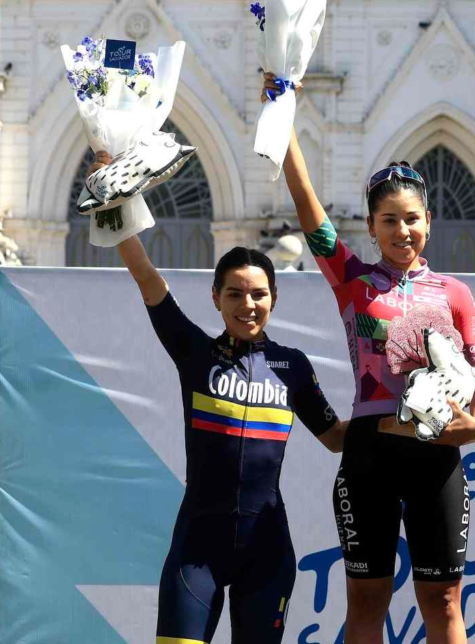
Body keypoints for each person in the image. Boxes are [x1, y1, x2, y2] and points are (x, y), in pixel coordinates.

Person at [267, 74, 475, 644]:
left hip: (438, 452)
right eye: (389, 220)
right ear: (370, 227)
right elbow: (307, 209)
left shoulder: (455, 292)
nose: (402, 229)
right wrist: (283, 113)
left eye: (412, 218)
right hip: (370, 450)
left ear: (428, 223)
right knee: (367, 600)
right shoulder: (352, 281)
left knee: (443, 601)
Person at [90, 151, 349, 644]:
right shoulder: (195, 352)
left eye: (258, 294)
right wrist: (111, 197)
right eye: (234, 294)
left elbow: (336, 438)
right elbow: (146, 276)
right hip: (197, 551)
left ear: (274, 297)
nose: (247, 305)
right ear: (215, 298)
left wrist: (395, 420)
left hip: (267, 551)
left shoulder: (291, 365)